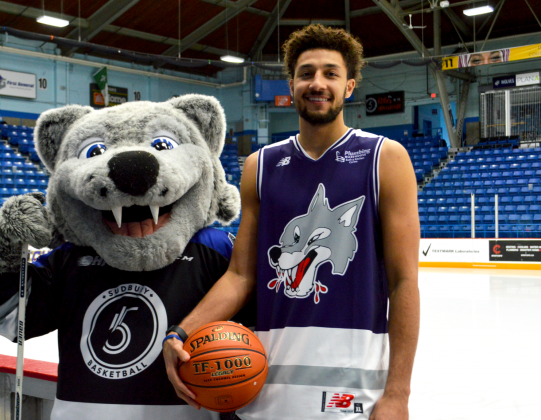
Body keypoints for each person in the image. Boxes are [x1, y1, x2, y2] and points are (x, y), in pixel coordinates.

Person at [164, 24, 420, 420]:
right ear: (292, 84)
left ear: (349, 86)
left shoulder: (385, 158)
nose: (317, 83)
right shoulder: (260, 165)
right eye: (307, 73)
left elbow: (404, 283)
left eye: (330, 73)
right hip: (265, 388)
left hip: (353, 388)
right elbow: (241, 275)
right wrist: (180, 333)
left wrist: (398, 394)